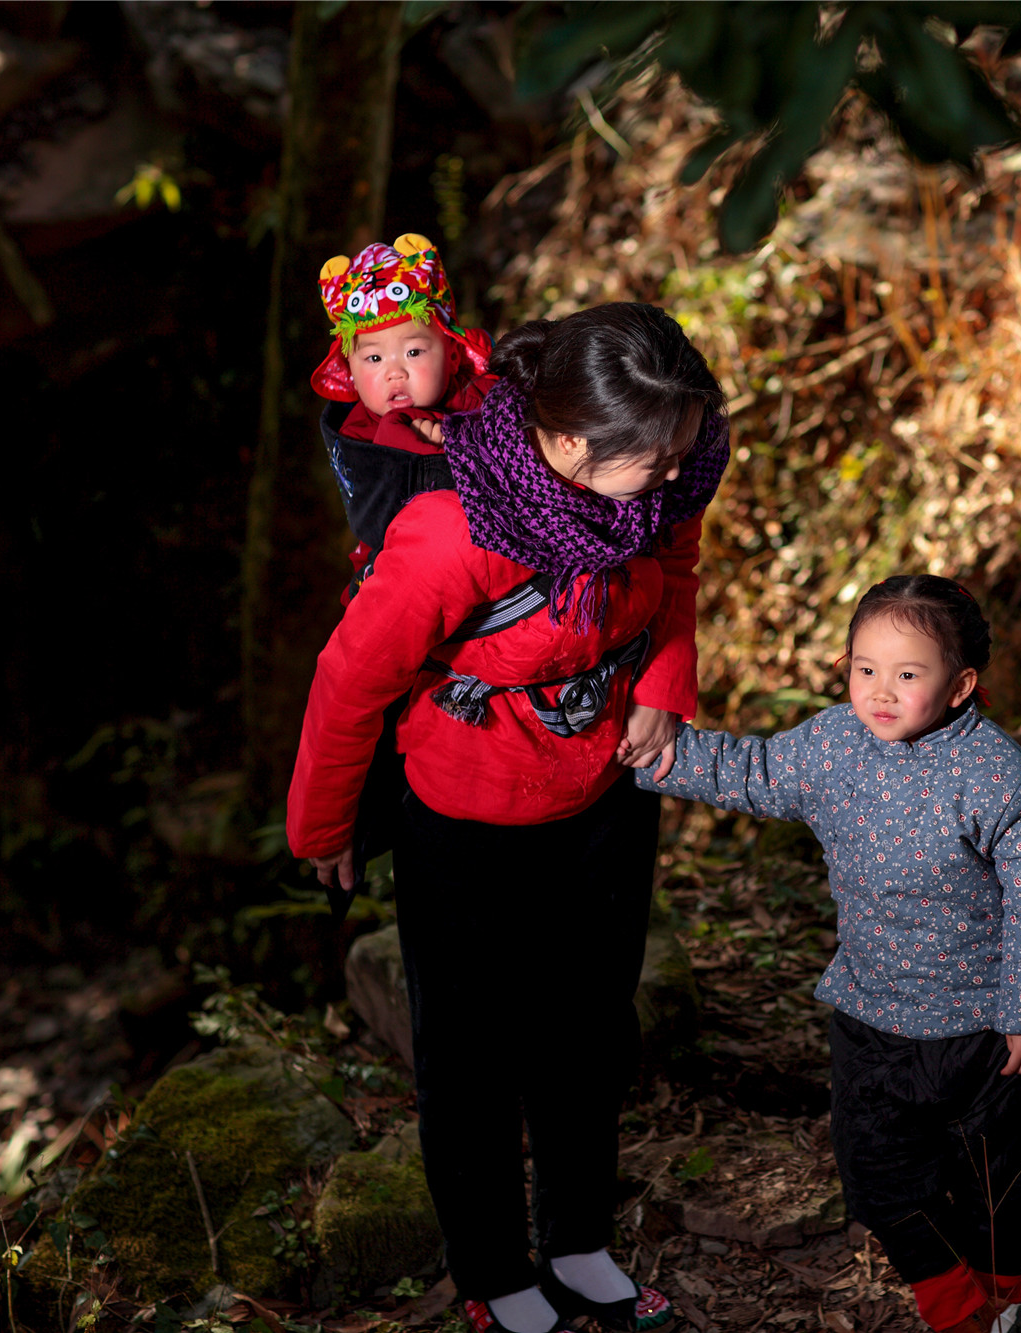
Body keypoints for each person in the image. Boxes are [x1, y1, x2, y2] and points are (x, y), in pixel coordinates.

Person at [288, 303, 730, 1333]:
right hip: (465, 817)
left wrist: (666, 682)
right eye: (657, 460)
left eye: (682, 453)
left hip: (604, 796)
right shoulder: (449, 535)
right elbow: (348, 683)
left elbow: (675, 576)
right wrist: (324, 825)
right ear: (568, 443)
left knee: (588, 1029)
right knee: (473, 1053)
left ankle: (575, 1242)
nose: (677, 479)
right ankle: (492, 1268)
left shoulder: (658, 484)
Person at [636, 576, 1021, 1333]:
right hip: (873, 1016)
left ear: (960, 684)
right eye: (864, 667)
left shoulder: (1001, 777)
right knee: (876, 1173)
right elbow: (752, 771)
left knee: (1002, 1180)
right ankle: (955, 1301)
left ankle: (1002, 1303)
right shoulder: (832, 744)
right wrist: (656, 751)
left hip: (987, 1031)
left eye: (908, 674)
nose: (880, 690)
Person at [310, 232, 497, 604]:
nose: (395, 372)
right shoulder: (357, 434)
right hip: (405, 573)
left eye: (413, 352)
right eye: (374, 359)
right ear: (351, 372)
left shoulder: (484, 397)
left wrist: (460, 442)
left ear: (454, 355)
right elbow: (373, 520)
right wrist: (408, 451)